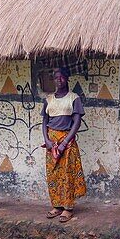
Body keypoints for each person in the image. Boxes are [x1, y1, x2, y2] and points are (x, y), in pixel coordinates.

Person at [41, 67, 87, 222]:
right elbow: (44, 121)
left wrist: (65, 142)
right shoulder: (48, 99)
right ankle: (57, 206)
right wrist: (47, 141)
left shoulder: (74, 98)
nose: (58, 80)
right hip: (51, 142)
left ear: (67, 79)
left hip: (67, 142)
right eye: (56, 78)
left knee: (67, 175)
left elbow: (76, 122)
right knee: (53, 175)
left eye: (61, 77)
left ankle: (68, 208)